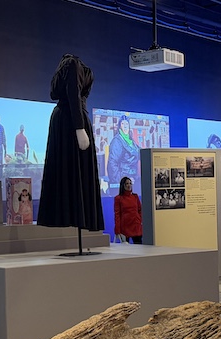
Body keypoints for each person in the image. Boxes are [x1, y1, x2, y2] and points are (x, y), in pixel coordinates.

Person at [37, 54, 104, 232]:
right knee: (74, 169)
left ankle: (72, 216)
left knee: (67, 170)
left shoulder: (64, 68)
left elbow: (58, 94)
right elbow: (73, 94)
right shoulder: (73, 64)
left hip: (64, 120)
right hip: (72, 121)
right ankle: (77, 217)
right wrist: (79, 127)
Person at [107, 115, 140, 191]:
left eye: (126, 124)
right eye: (123, 123)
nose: (125, 126)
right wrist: (124, 181)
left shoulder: (131, 140)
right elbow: (112, 164)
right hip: (124, 182)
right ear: (119, 126)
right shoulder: (117, 141)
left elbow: (139, 153)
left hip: (133, 178)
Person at [114, 176, 142, 244]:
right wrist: (117, 229)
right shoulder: (118, 198)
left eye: (130, 183)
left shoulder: (135, 196)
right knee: (126, 249)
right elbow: (117, 214)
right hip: (125, 226)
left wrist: (139, 220)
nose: (129, 185)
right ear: (122, 185)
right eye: (126, 183)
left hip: (136, 225)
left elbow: (140, 210)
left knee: (139, 247)